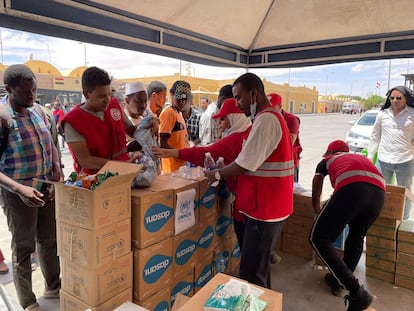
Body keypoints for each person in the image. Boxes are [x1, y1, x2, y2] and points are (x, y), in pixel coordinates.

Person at [204, 73, 294, 289]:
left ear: (253, 94)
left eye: (239, 98)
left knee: (252, 274)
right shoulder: (265, 118)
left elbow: (246, 163)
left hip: (266, 209)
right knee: (258, 271)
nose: (237, 104)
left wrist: (217, 174)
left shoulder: (267, 119)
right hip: (265, 206)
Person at [0, 64, 62, 311]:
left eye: (34, 90)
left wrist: (57, 167)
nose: (32, 96)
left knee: (49, 240)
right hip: (18, 195)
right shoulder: (3, 117)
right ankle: (27, 301)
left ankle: (53, 285)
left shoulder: (39, 111)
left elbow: (52, 144)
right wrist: (19, 189)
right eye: (26, 92)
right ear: (9, 89)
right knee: (23, 247)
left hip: (46, 188)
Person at [153, 98, 252, 247]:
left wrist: (171, 152)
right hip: (252, 200)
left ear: (234, 118)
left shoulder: (235, 139)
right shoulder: (249, 132)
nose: (220, 125)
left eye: (223, 120)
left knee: (248, 248)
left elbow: (203, 153)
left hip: (247, 203)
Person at [310, 140, 385, 311]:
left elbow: (317, 181)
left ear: (330, 151)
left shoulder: (329, 159)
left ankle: (356, 290)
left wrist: (316, 209)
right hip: (379, 194)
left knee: (319, 237)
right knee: (356, 237)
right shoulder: (357, 158)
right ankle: (339, 283)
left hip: (354, 189)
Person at [62, 66, 139, 175]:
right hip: (96, 182)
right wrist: (123, 165)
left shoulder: (114, 107)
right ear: (86, 94)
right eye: (101, 96)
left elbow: (133, 131)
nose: (107, 100)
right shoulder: (73, 121)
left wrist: (149, 124)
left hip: (124, 176)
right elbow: (86, 160)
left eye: (109, 94)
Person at [368, 85, 414, 220]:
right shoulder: (382, 114)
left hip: (406, 160)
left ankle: (403, 220)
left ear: (406, 98)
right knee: (380, 190)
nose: (395, 100)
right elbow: (375, 136)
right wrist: (370, 157)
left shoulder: (412, 114)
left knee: (405, 192)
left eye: (398, 97)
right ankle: (382, 216)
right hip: (383, 160)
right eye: (392, 97)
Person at [159, 80, 191, 173]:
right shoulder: (168, 113)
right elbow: (163, 145)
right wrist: (182, 154)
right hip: (171, 170)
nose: (182, 102)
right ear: (171, 95)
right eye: (179, 98)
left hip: (180, 168)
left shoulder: (178, 113)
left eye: (184, 99)